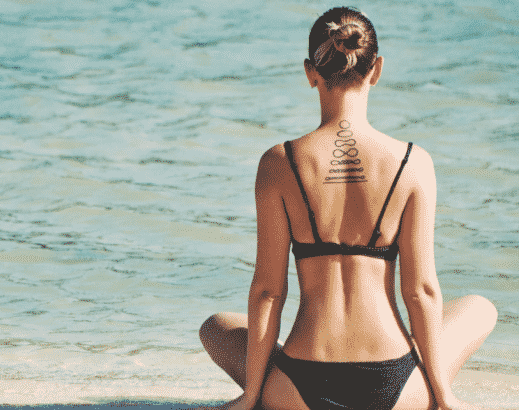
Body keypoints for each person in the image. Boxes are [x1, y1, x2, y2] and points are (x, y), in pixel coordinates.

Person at [198, 7, 497, 410]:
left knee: (216, 327)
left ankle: (262, 388)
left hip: (297, 390)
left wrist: (251, 397)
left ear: (310, 72)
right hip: (396, 388)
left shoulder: (279, 162)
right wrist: (443, 398)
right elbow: (421, 291)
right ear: (377, 70)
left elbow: (268, 291)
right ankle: (437, 389)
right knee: (479, 308)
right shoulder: (413, 162)